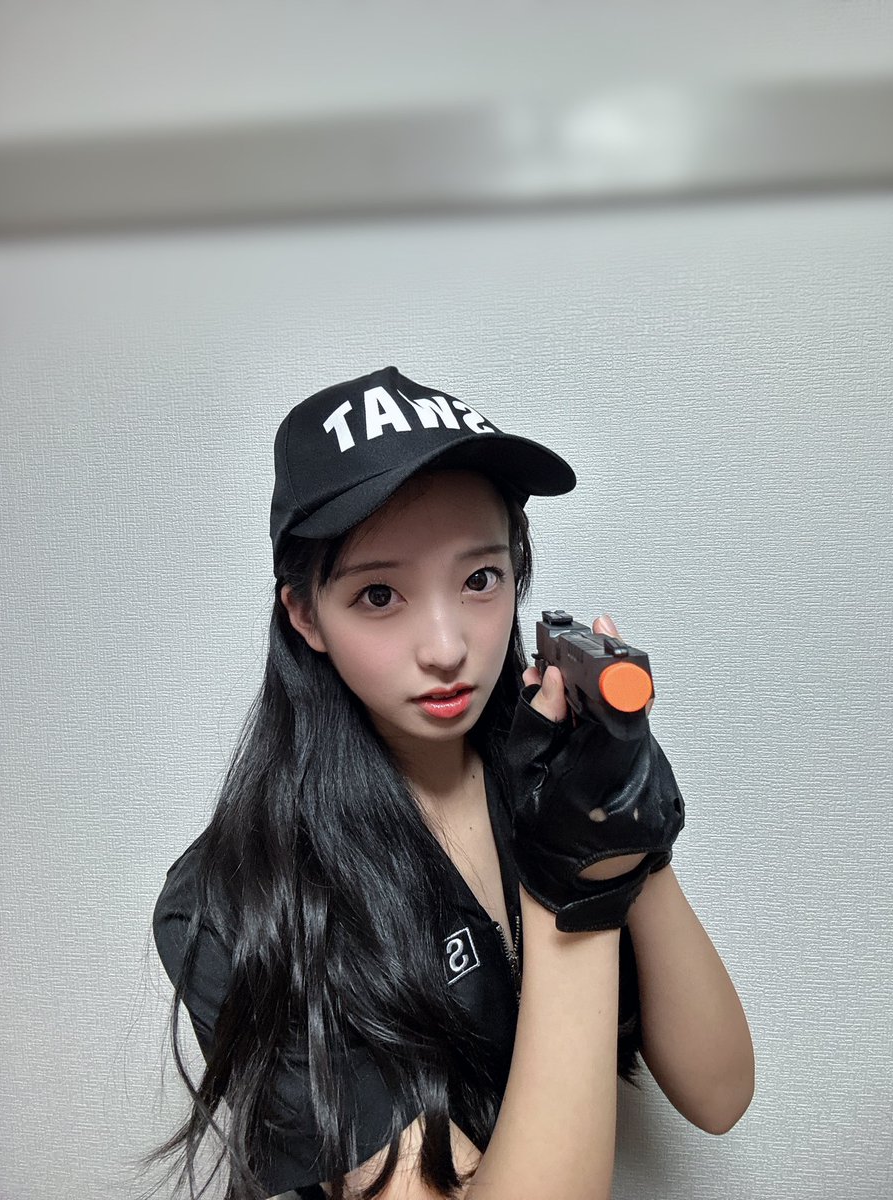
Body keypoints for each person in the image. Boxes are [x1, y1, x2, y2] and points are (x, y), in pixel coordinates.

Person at [150, 366, 754, 1200]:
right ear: (305, 615)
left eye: (479, 580)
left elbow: (720, 1094)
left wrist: (626, 831)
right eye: (378, 594)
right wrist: (573, 892)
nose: (445, 646)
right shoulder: (233, 903)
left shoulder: (552, 773)